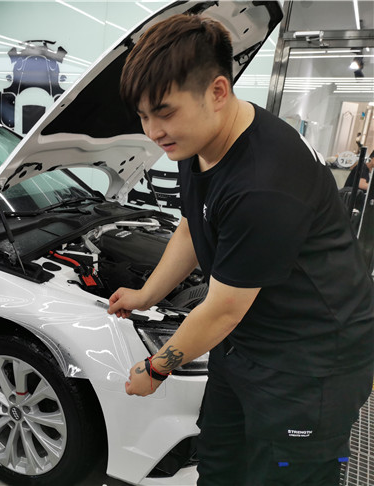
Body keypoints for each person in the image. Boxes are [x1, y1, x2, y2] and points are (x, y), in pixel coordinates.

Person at [107, 14, 374, 486]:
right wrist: (147, 295)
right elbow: (192, 227)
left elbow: (223, 310)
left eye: (164, 112)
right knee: (219, 464)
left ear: (217, 91)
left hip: (312, 360)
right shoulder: (198, 142)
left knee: (286, 477)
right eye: (143, 116)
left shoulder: (263, 183)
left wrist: (156, 367)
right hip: (247, 340)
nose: (152, 131)